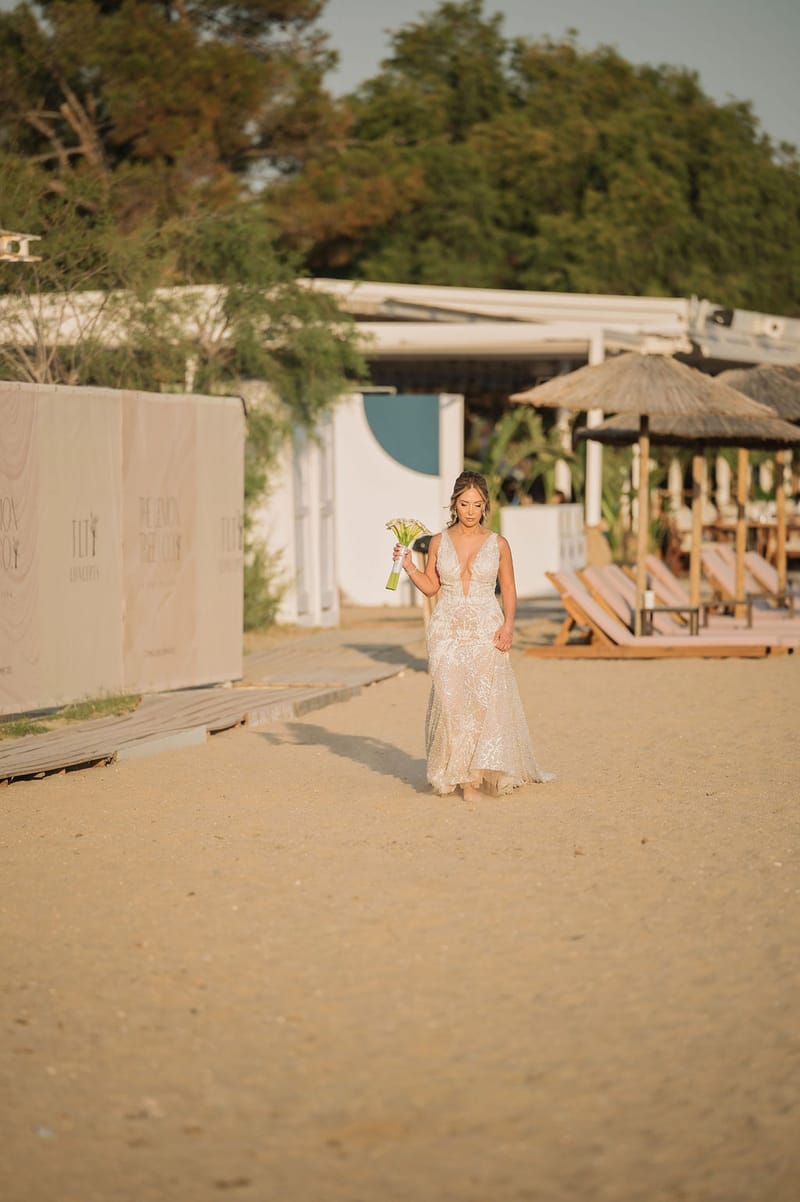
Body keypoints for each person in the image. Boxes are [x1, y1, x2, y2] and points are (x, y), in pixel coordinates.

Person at [396, 470, 554, 801]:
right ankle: (463, 778)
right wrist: (409, 566)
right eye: (465, 504)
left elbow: (508, 589)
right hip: (446, 629)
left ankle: (475, 774)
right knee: (451, 702)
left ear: (485, 506)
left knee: (481, 703)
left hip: (486, 627)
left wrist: (508, 626)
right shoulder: (438, 542)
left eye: (477, 504)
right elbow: (431, 587)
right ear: (454, 504)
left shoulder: (498, 544)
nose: (470, 511)